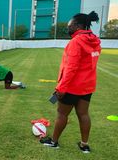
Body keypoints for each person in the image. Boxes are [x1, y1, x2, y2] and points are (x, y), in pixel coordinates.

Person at [40, 11, 101, 154]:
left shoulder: (76, 42)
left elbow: (71, 68)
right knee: (83, 114)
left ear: (78, 25)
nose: (68, 28)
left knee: (62, 114)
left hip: (72, 86)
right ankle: (84, 145)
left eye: (70, 25)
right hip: (87, 86)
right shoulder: (96, 41)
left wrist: (61, 87)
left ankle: (54, 142)